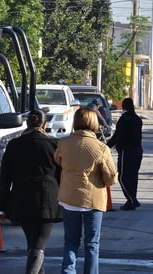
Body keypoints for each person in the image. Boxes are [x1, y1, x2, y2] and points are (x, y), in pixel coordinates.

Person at [0, 109, 61, 274]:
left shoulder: (14, 144)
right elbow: (62, 176)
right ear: (44, 124)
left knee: (33, 244)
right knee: (38, 245)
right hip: (47, 200)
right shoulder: (54, 145)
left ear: (27, 123)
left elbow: (5, 179)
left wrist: (0, 207)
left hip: (21, 199)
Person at [54, 107, 118, 274]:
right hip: (92, 200)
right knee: (91, 244)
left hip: (68, 198)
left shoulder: (63, 142)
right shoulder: (101, 148)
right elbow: (111, 178)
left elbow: (58, 160)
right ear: (94, 123)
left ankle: (68, 271)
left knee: (70, 241)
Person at [107, 97, 143, 211]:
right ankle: (131, 200)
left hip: (126, 151)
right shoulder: (137, 119)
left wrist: (107, 146)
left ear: (123, 106)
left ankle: (132, 200)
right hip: (138, 150)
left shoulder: (125, 119)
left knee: (122, 176)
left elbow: (118, 135)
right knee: (133, 176)